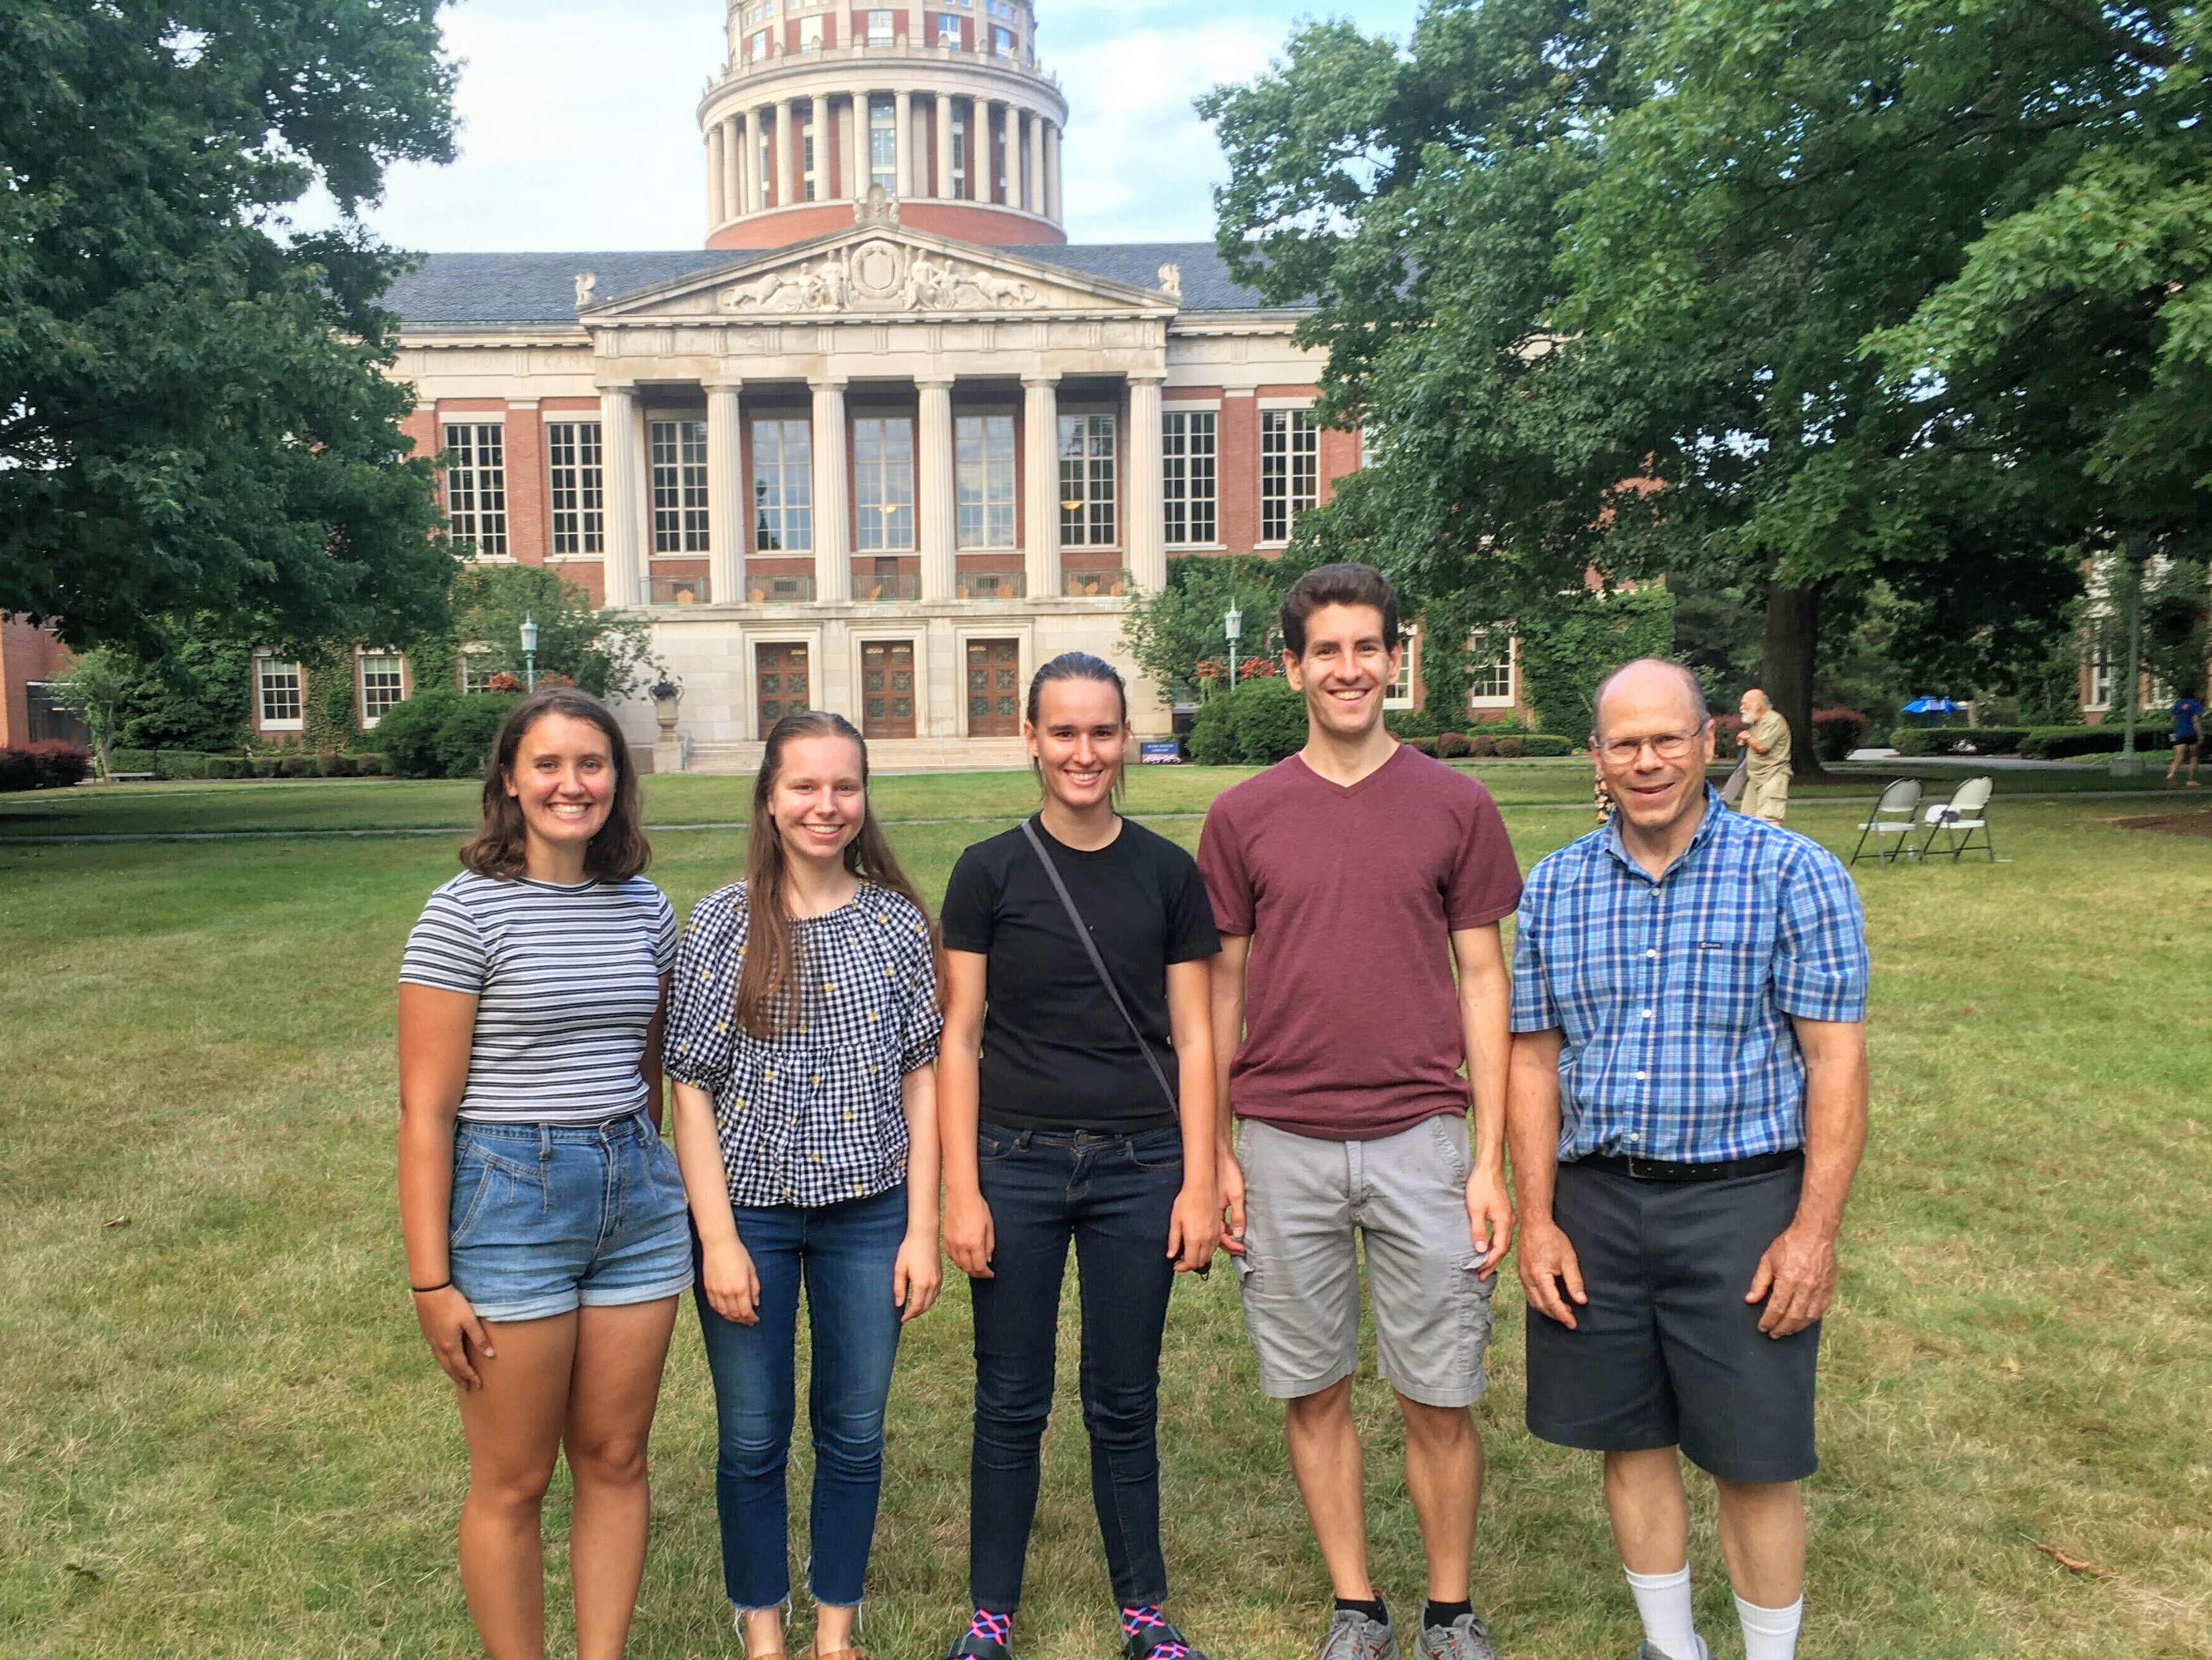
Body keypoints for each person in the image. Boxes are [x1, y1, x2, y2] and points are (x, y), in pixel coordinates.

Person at [1507, 659, 1871, 1660]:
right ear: (1597, 757)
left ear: (1710, 743)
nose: (1647, 760)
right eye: (1624, 743)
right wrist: (1535, 1220)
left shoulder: (1793, 873)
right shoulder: (1556, 886)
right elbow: (1531, 1064)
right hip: (1597, 1204)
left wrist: (1813, 1232)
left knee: (1755, 1456)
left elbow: (1834, 1061)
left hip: (1744, 1203)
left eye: (1667, 738)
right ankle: (1672, 1648)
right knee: (1630, 1438)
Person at [1198, 564, 1522, 1660]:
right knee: (1314, 1384)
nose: (1348, 669)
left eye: (1367, 648)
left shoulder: (1455, 804)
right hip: (1281, 1137)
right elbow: (1220, 990)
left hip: (1423, 1134)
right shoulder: (1243, 816)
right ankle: (1356, 1607)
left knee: (1440, 1391)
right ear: (1291, 668)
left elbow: (1485, 978)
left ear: (1396, 658)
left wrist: (1490, 1160)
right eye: (1325, 651)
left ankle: (1447, 1609)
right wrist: (1221, 1154)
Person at [938, 653, 1222, 1660]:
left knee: (1124, 1399)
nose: (1085, 752)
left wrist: (1198, 1177)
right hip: (1011, 1161)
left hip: (1140, 1168)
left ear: (1125, 737)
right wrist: (960, 1189)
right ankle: (990, 1616)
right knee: (1009, 1397)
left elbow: (1197, 1039)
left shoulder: (1167, 873)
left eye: (1102, 732)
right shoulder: (987, 872)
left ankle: (1143, 1613)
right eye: (1064, 732)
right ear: (1029, 738)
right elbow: (959, 1037)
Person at [397, 687, 692, 1660]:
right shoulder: (462, 912)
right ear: (511, 782)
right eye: (550, 765)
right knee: (514, 1481)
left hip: (636, 1197)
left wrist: (650, 1172)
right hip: (510, 1193)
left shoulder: (646, 907)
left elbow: (646, 1068)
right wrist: (432, 1281)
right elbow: (426, 1111)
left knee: (615, 1456)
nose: (573, 784)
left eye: (593, 764)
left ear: (619, 778)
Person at [663, 710, 944, 1660]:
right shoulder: (721, 922)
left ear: (865, 801)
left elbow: (922, 1074)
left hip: (868, 1217)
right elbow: (690, 1083)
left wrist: (920, 1227)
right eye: (804, 787)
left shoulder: (898, 923)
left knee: (854, 1431)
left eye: (845, 787)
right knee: (751, 1436)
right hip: (751, 1214)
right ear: (769, 799)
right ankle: (763, 1634)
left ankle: (834, 1632)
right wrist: (718, 1239)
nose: (826, 806)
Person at [1734, 689, 1792, 824]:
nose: (1741, 708)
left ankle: (1770, 846)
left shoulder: (1774, 720)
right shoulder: (1756, 724)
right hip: (1755, 777)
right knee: (1746, 820)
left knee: (1769, 820)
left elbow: (1763, 747)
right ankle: (1751, 845)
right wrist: (1746, 739)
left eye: (1745, 704)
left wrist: (1747, 736)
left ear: (1758, 705)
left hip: (1773, 775)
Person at [2167, 686, 2203, 787]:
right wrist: (2200, 735)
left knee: (2178, 757)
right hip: (2191, 734)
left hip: (2178, 734)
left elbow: (2172, 721)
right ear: (2193, 694)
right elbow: (2196, 721)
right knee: (2194, 757)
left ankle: (2171, 774)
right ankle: (2190, 780)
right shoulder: (2195, 705)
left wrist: (2173, 733)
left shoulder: (2177, 704)